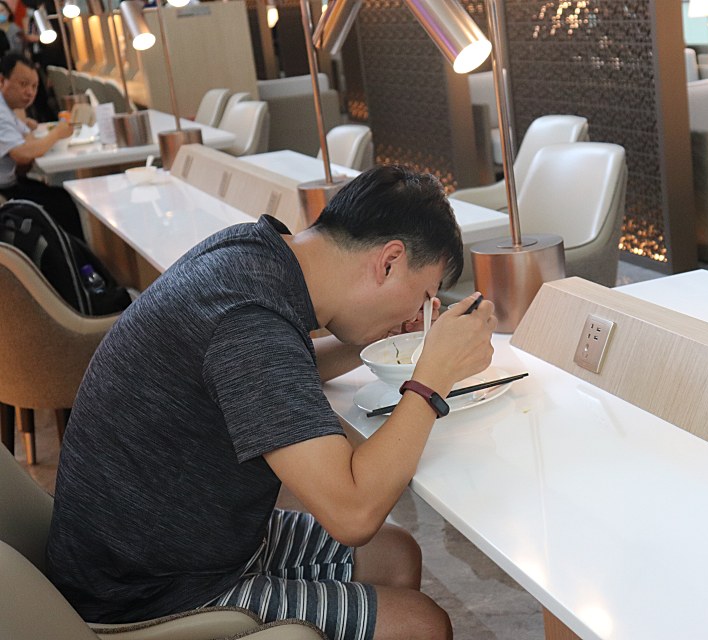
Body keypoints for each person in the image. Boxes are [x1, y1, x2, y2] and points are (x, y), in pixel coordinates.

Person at [45, 164, 498, 640]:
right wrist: (431, 379)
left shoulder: (255, 254)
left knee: (396, 555)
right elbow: (353, 513)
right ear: (389, 261)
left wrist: (382, 340)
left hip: (183, 543)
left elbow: (272, 375)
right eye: (422, 297)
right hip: (145, 593)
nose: (415, 315)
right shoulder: (249, 322)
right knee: (422, 625)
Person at [0, 53, 81, 236]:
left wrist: (26, 124)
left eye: (34, 86)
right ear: (2, 81)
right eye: (23, 84)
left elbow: (28, 142)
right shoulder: (2, 112)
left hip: (13, 183)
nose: (30, 92)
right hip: (5, 191)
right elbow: (22, 153)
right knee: (62, 204)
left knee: (61, 197)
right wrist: (57, 133)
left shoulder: (9, 109)